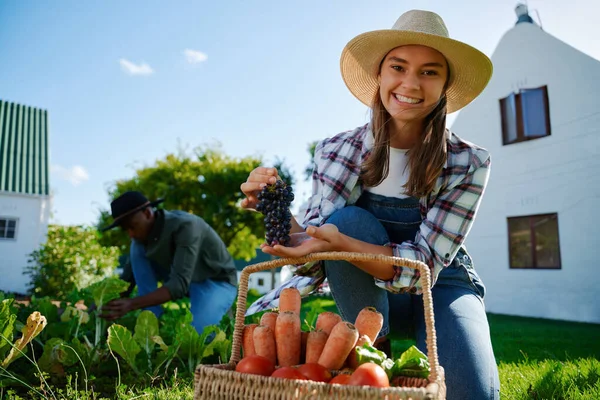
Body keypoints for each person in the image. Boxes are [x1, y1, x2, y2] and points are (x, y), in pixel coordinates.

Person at [240, 9, 500, 399]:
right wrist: (275, 207)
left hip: (439, 282)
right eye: (398, 66)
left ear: (445, 85)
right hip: (363, 290)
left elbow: (424, 267)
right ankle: (374, 355)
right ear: (380, 74)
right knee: (348, 220)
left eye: (429, 71)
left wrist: (340, 245)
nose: (410, 83)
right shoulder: (336, 150)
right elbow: (314, 248)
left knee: (473, 393)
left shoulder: (468, 162)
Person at [99, 191, 238, 335]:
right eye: (126, 230)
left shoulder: (186, 226)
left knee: (202, 337)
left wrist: (132, 304)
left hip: (216, 280)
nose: (131, 234)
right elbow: (128, 278)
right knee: (136, 247)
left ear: (147, 213)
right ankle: (150, 324)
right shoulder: (140, 240)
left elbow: (178, 286)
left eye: (132, 226)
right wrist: (103, 302)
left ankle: (218, 308)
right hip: (183, 279)